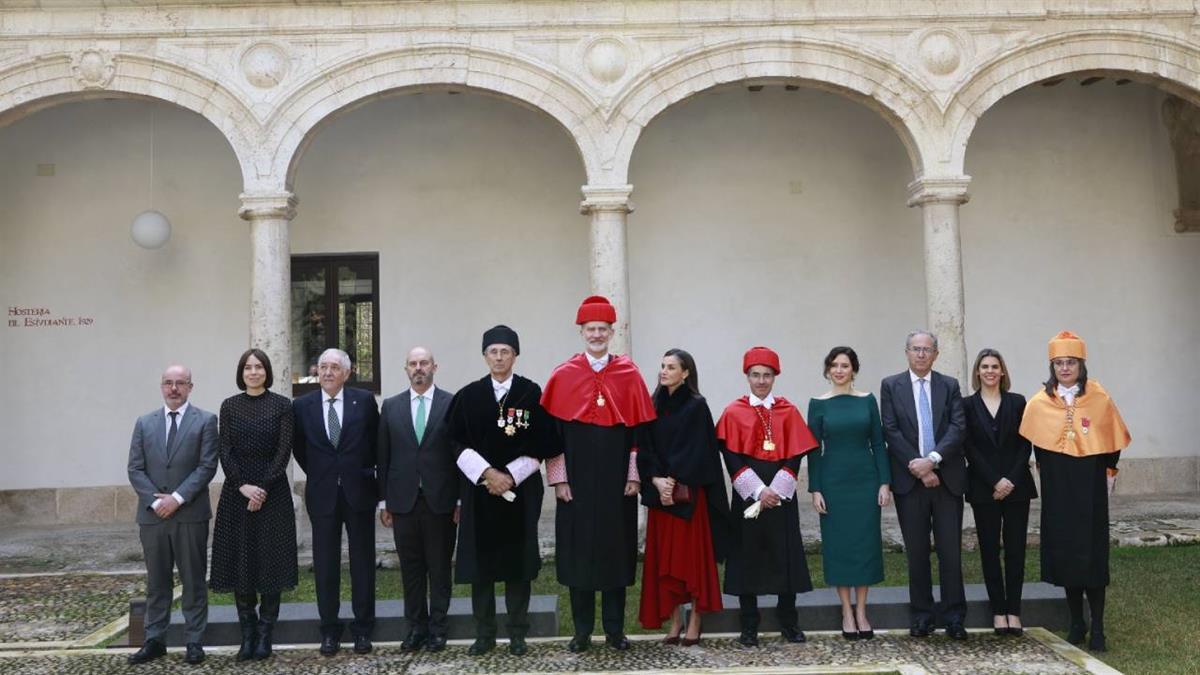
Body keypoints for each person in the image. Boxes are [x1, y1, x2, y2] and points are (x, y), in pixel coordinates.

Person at [542, 295, 656, 653]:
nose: (596, 335)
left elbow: (639, 435)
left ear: (612, 332)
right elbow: (552, 438)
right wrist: (559, 479)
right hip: (574, 486)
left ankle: (614, 631)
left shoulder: (629, 374)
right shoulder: (563, 375)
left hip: (616, 484)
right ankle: (581, 632)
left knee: (615, 554)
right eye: (590, 329)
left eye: (602, 329)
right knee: (578, 557)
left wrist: (634, 475)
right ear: (581, 332)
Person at [1019, 331, 1129, 652]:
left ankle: (1098, 627)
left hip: (1090, 486)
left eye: (1070, 362)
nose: (1065, 368)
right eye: (1058, 363)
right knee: (1067, 553)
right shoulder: (1040, 402)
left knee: (1092, 555)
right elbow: (1035, 445)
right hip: (1058, 488)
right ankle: (1076, 623)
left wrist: (1105, 472)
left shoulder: (1099, 397)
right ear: (1052, 366)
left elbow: (1112, 443)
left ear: (1081, 364)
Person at [448, 326, 555, 656]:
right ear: (484, 356)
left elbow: (545, 441)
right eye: (493, 351)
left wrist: (509, 475)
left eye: (505, 351)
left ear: (515, 355)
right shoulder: (468, 396)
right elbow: (454, 441)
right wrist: (487, 474)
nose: (498, 357)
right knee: (481, 568)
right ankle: (484, 633)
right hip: (480, 494)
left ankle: (518, 633)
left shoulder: (532, 393)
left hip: (520, 495)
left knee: (517, 566)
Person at [716, 346, 818, 647]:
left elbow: (796, 453)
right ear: (747, 376)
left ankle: (789, 621)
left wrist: (777, 490)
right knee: (747, 557)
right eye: (756, 375)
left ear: (775, 377)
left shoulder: (788, 410)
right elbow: (731, 455)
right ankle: (749, 624)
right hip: (748, 496)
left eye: (767, 375)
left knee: (784, 555)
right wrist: (759, 491)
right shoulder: (733, 412)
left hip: (781, 496)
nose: (761, 381)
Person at [208, 348, 298, 661]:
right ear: (241, 372)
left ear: (267, 371)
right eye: (248, 367)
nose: (254, 372)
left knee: (270, 561)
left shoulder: (283, 406)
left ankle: (265, 635)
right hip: (237, 492)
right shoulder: (229, 406)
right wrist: (242, 486)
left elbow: (283, 450)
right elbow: (225, 450)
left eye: (259, 367)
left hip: (272, 494)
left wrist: (262, 488)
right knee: (240, 559)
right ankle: (246, 634)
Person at [126, 364, 218, 666]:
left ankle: (194, 640)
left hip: (189, 515)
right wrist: (156, 503)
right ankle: (155, 639)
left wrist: (176, 499)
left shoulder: (205, 421)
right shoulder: (144, 422)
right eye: (168, 383)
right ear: (161, 386)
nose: (174, 388)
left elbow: (206, 467)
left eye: (180, 383)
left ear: (191, 386)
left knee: (193, 580)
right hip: (153, 517)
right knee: (157, 582)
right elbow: (135, 468)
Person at [878, 331, 968, 640]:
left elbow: (958, 427)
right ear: (906, 352)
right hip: (909, 482)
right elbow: (890, 429)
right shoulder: (891, 386)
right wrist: (918, 466)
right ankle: (922, 615)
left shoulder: (950, 385)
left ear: (936, 354)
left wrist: (931, 459)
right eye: (915, 349)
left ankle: (954, 616)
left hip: (946, 481)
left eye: (926, 350)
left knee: (950, 553)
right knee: (916, 552)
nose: (920, 354)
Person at [637, 349, 730, 646]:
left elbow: (698, 449)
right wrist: (655, 480)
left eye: (671, 367)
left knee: (690, 560)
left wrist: (672, 480)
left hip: (688, 497)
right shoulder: (653, 405)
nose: (664, 371)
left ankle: (696, 620)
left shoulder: (696, 406)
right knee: (665, 560)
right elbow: (644, 445)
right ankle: (675, 620)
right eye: (662, 366)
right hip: (660, 496)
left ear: (686, 372)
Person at [293, 348, 379, 656]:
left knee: (362, 563)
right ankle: (329, 630)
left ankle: (363, 629)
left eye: (335, 367)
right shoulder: (301, 406)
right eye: (323, 367)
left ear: (347, 372)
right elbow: (301, 450)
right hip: (323, 494)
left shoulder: (364, 402)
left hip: (360, 493)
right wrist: (323, 474)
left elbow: (375, 444)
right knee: (326, 565)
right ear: (317, 371)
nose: (328, 372)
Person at [807, 346, 891, 641]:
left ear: (853, 369)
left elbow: (879, 443)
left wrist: (884, 482)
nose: (840, 370)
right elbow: (813, 450)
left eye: (845, 365)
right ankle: (846, 611)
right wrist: (815, 488)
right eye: (834, 365)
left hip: (865, 482)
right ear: (828, 370)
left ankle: (862, 611)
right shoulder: (817, 403)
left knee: (865, 545)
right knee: (839, 547)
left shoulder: (867, 400)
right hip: (833, 483)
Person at [378, 347, 456, 653]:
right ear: (406, 369)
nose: (419, 368)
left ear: (435, 366)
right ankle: (415, 629)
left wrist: (460, 501)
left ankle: (438, 628)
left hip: (441, 501)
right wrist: (383, 501)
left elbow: (458, 454)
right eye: (413, 364)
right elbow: (382, 457)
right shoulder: (391, 406)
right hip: (402, 501)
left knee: (439, 568)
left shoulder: (451, 404)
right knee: (410, 569)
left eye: (424, 363)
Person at [963, 348, 1036, 636]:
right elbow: (968, 447)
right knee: (990, 550)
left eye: (995, 366)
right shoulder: (966, 405)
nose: (990, 371)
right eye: (985, 366)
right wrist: (994, 481)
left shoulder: (1017, 402)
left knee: (1016, 550)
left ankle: (1014, 611)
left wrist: (1009, 480)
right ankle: (998, 611)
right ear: (977, 372)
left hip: (1017, 487)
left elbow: (1025, 443)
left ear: (1002, 371)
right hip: (984, 489)